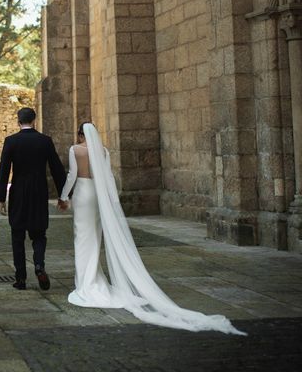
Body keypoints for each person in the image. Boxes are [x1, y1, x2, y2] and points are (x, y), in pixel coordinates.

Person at [58, 122, 246, 335]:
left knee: (82, 239)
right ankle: (94, 280)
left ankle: (86, 284)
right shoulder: (103, 151)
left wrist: (64, 197)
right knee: (95, 238)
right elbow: (108, 177)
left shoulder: (75, 150)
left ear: (80, 134)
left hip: (83, 194)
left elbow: (72, 175)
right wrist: (112, 202)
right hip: (98, 198)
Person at [0, 107, 67, 291]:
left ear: (18, 121)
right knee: (39, 234)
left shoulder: (11, 141)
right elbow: (57, 169)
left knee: (17, 235)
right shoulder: (45, 141)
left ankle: (20, 279)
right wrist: (63, 195)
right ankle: (39, 266)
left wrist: (1, 198)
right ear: (34, 121)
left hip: (18, 192)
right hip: (38, 192)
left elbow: (4, 171)